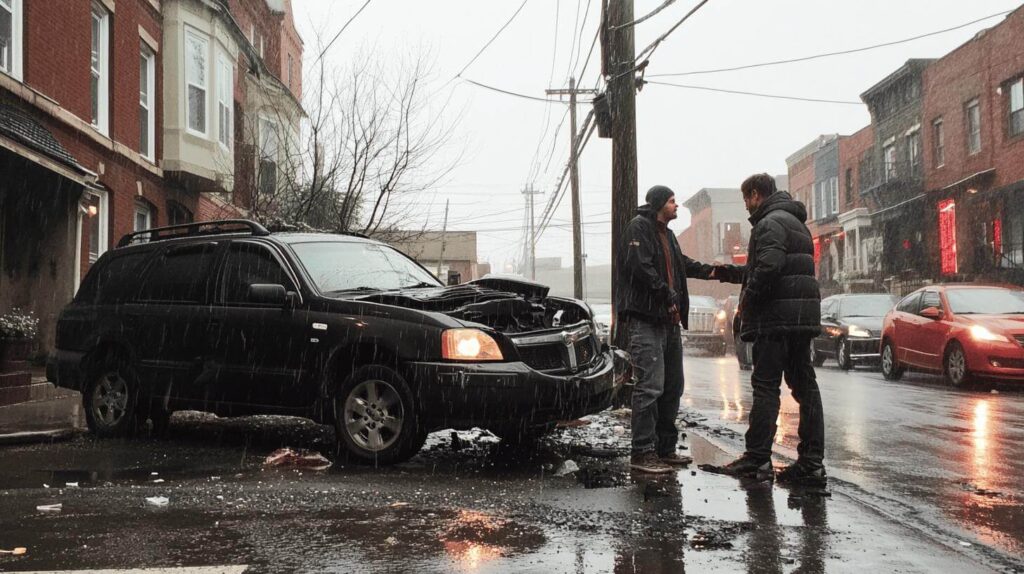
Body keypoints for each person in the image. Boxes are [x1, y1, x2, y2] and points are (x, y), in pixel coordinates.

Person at [711, 173, 826, 486]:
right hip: (800, 317)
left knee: (765, 388)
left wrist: (748, 301)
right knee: (805, 388)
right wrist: (722, 273)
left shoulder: (768, 222)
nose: (746, 207)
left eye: (746, 200)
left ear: (754, 195)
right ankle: (812, 463)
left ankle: (757, 458)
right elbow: (769, 266)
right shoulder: (795, 223)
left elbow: (769, 267)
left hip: (776, 319)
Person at [616, 185, 717, 474]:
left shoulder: (668, 236)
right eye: (673, 201)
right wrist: (665, 293)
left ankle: (665, 449)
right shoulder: (639, 228)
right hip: (646, 319)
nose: (676, 206)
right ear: (660, 203)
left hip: (669, 322)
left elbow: (681, 265)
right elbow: (639, 267)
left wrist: (716, 272)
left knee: (672, 386)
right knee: (650, 386)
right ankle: (642, 452)